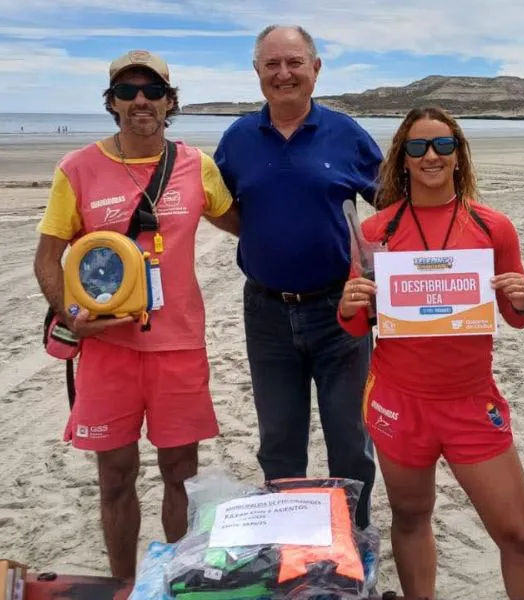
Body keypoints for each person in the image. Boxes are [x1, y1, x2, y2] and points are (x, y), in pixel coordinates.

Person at [33, 49, 239, 578]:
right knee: (115, 477)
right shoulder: (77, 168)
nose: (141, 100)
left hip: (179, 346)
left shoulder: (198, 166)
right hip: (108, 349)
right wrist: (70, 314)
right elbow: (47, 257)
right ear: (112, 102)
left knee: (181, 474)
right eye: (128, 91)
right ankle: (123, 585)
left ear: (170, 102)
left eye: (153, 90)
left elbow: (246, 224)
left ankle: (177, 582)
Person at [338, 106, 524, 600]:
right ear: (403, 159)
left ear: (459, 155)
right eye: (417, 147)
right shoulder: (375, 232)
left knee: (518, 534)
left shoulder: (492, 226)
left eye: (443, 145)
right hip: (398, 401)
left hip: (470, 401)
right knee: (411, 515)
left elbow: (519, 316)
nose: (430, 156)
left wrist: (523, 298)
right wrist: (349, 304)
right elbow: (356, 323)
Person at [213, 25, 381, 528]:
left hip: (341, 312)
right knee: (279, 442)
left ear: (315, 68)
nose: (283, 74)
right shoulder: (238, 138)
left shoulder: (347, 134)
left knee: (350, 440)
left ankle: (354, 539)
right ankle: (290, 543)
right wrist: (260, 235)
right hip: (265, 311)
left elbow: (393, 205)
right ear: (257, 72)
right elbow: (219, 204)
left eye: (294, 63)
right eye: (272, 64)